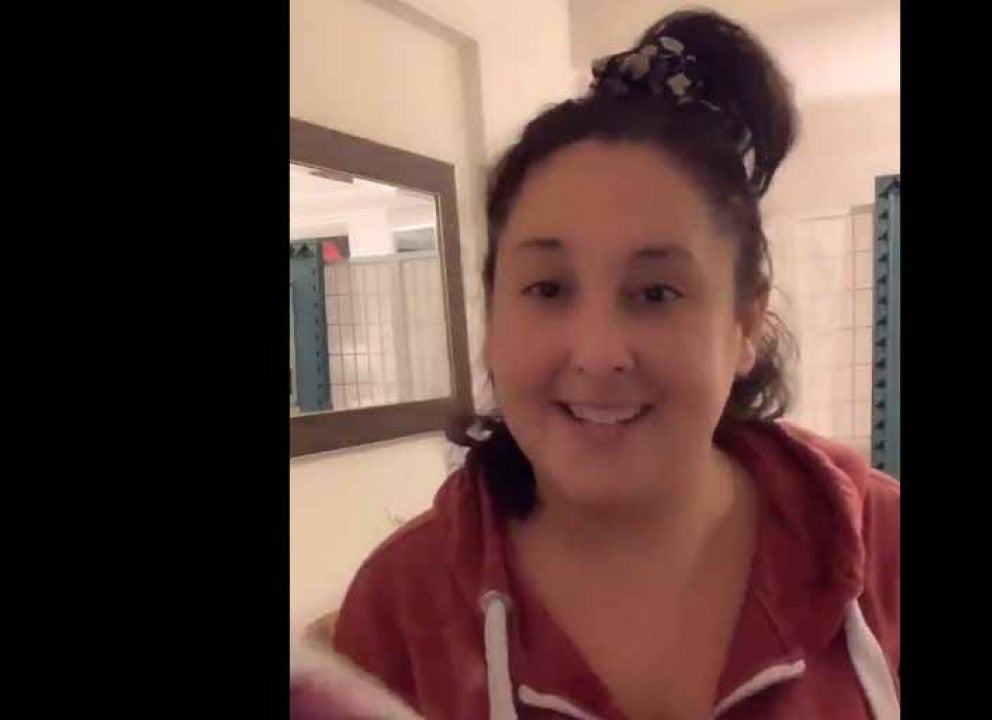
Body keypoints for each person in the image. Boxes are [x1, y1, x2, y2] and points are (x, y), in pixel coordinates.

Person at [329, 9, 900, 719]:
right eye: (548, 289)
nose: (599, 354)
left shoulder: (881, 546)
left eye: (656, 293)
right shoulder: (402, 609)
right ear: (492, 314)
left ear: (745, 324)